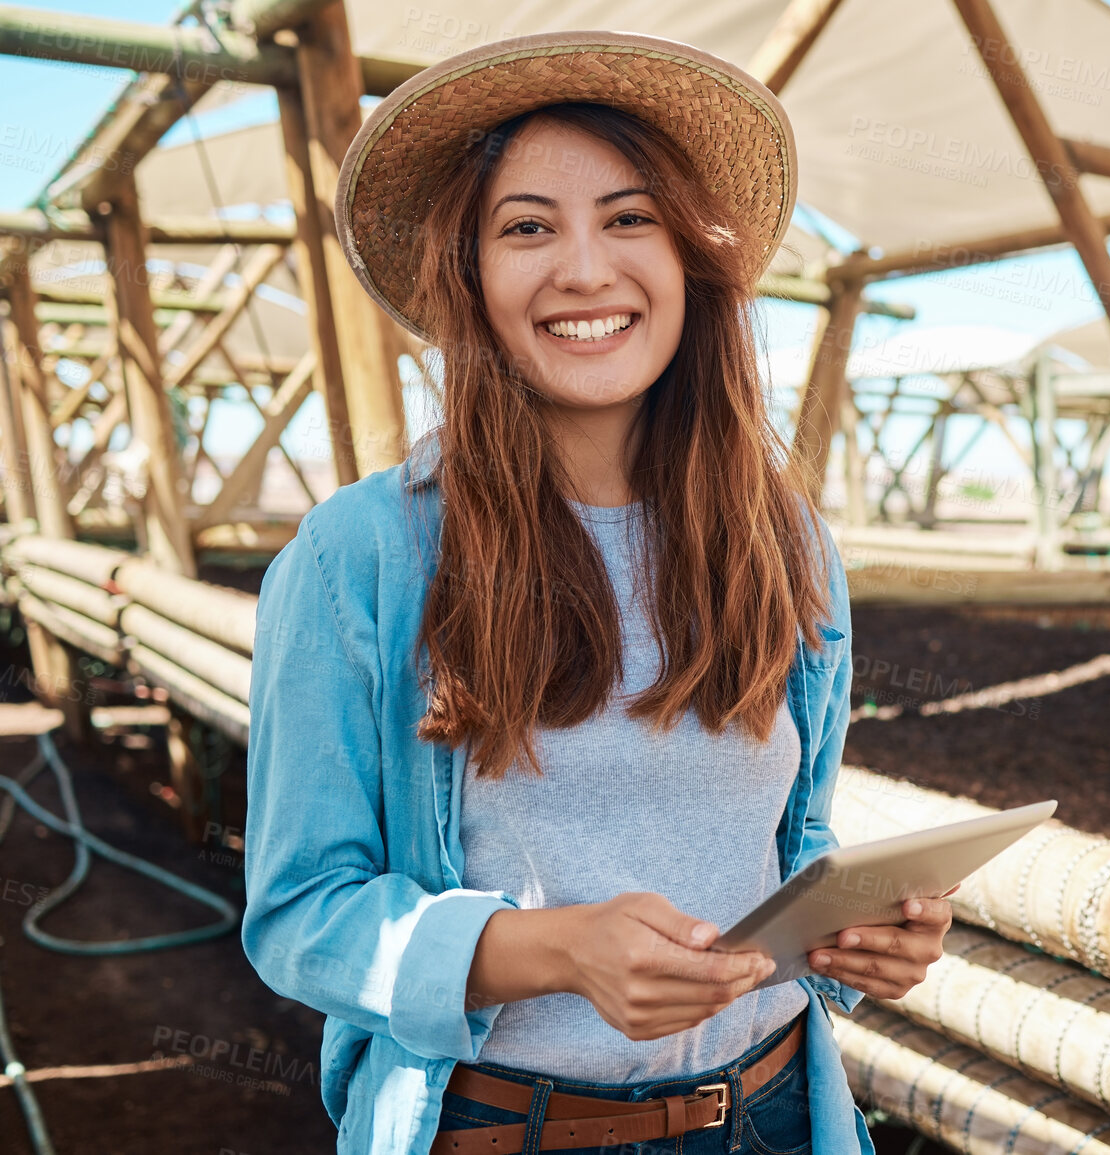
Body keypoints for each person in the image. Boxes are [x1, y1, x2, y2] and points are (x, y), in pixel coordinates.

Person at [241, 31, 954, 1155]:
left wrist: (862, 939)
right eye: (528, 227)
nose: (584, 270)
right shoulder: (361, 554)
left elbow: (794, 834)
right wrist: (556, 950)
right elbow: (299, 917)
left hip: (773, 1113)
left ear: (690, 262)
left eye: (630, 219)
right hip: (504, 1125)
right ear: (469, 275)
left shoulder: (788, 545)